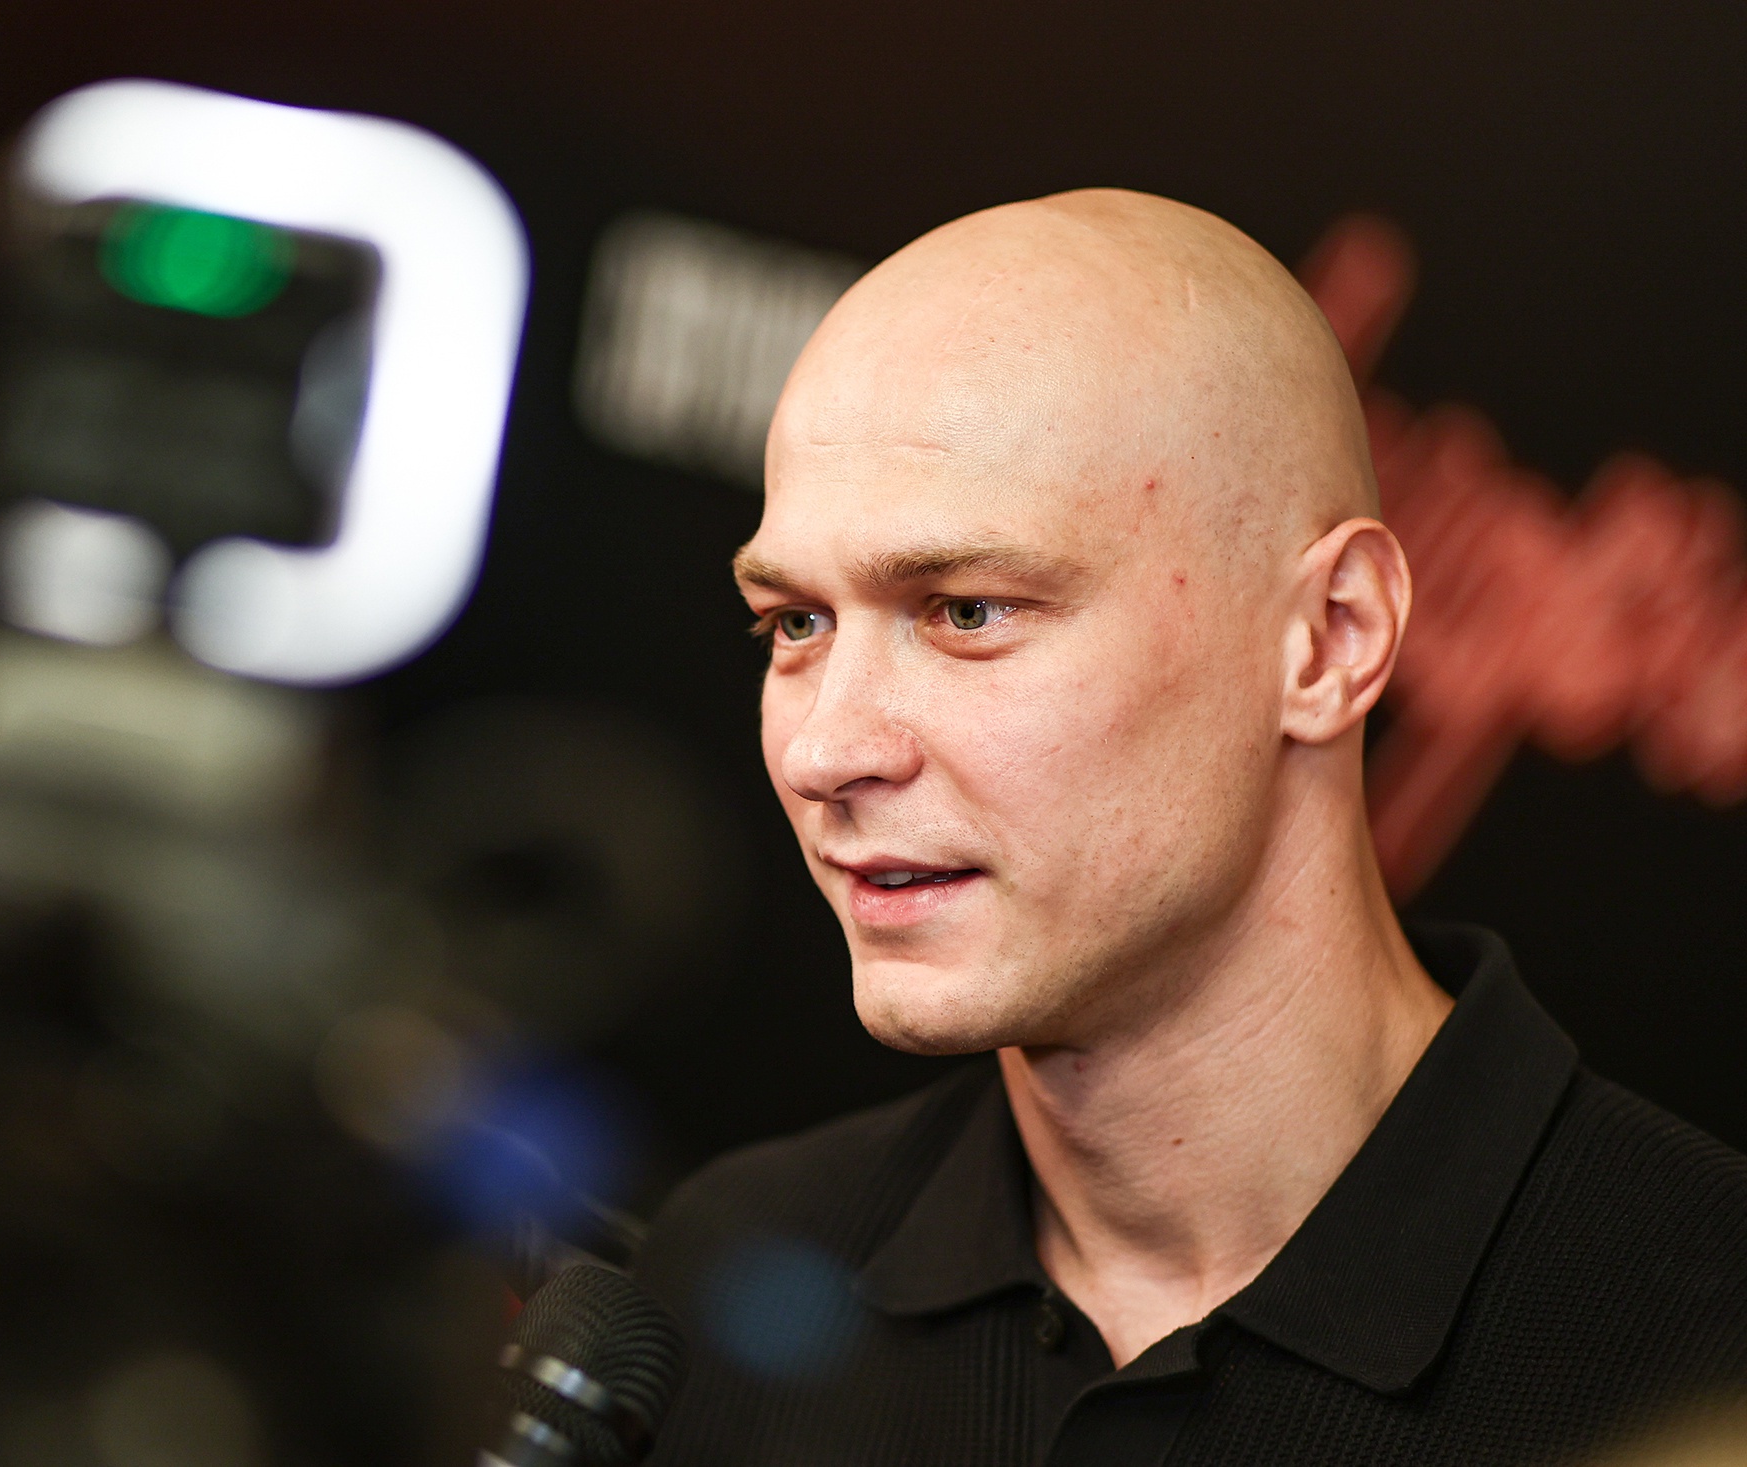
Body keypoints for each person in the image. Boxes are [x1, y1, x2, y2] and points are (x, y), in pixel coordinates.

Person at [632, 190, 1747, 1467]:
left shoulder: (1705, 1349)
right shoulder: (735, 1279)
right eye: (795, 624)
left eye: (967, 611)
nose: (826, 751)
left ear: (1330, 638)